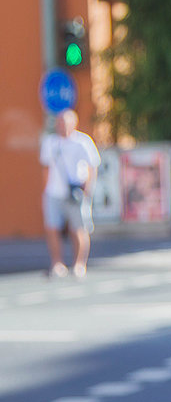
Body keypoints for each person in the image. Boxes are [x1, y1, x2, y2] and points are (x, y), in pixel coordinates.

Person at [39, 108, 100, 278]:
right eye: (59, 122)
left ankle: (79, 264)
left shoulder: (82, 142)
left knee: (78, 228)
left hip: (76, 193)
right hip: (54, 193)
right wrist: (45, 190)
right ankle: (57, 263)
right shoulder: (50, 142)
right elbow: (45, 168)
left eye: (65, 123)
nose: (61, 126)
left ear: (73, 123)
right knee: (52, 228)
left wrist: (88, 189)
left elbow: (92, 166)